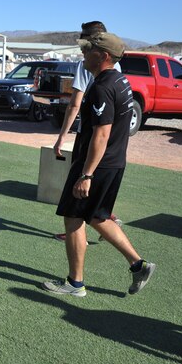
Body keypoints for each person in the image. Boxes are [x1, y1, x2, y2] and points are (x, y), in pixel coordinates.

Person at [43, 31, 155, 298]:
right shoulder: (120, 80)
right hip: (113, 163)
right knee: (97, 216)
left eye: (87, 51)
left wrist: (86, 174)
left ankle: (75, 284)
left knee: (73, 218)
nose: (83, 54)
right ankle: (138, 265)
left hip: (97, 166)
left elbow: (101, 133)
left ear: (103, 56)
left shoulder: (103, 86)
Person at [53, 21, 122, 242]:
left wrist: (62, 136)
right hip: (113, 143)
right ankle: (105, 221)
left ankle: (84, 229)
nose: (82, 47)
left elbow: (75, 103)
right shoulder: (116, 66)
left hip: (91, 136)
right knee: (96, 194)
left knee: (78, 196)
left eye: (85, 39)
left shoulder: (89, 64)